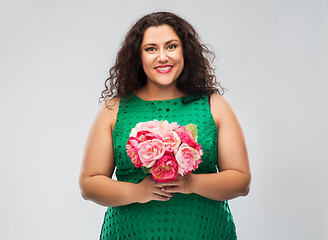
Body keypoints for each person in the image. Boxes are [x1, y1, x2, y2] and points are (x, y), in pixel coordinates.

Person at [79, 11, 251, 239]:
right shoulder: (114, 109)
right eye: (151, 49)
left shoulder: (214, 106)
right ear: (138, 57)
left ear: (185, 52)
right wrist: (139, 191)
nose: (162, 57)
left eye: (171, 46)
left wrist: (191, 183)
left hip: (206, 232)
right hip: (128, 233)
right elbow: (89, 183)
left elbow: (241, 180)